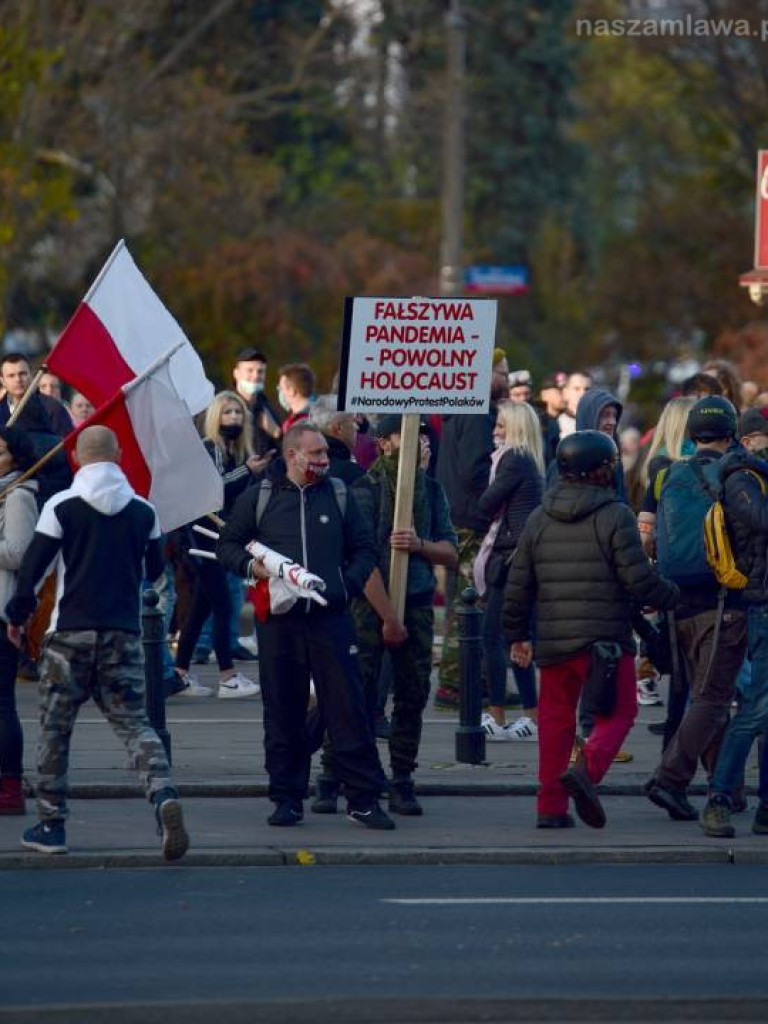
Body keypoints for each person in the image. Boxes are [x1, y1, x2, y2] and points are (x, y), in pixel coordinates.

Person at [5, 426, 189, 859]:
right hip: (123, 633)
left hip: (69, 634)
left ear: (77, 459)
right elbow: (156, 573)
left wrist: (17, 616)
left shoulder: (62, 506)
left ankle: (51, 826)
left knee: (55, 731)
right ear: (119, 455)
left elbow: (33, 568)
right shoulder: (144, 511)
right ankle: (163, 795)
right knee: (135, 724)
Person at [217, 422, 394, 829]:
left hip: (331, 619)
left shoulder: (338, 493)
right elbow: (226, 544)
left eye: (325, 454)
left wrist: (344, 588)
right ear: (292, 455)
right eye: (315, 454)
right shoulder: (259, 497)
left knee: (348, 709)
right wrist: (253, 568)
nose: (323, 461)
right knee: (282, 710)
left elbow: (364, 550)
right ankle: (286, 798)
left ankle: (363, 800)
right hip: (279, 623)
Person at [503, 430, 678, 829]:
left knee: (554, 721)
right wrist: (673, 595)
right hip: (606, 641)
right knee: (619, 713)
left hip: (554, 640)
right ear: (599, 470)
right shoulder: (615, 515)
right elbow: (638, 580)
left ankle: (550, 807)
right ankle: (586, 772)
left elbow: (518, 585)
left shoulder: (539, 517)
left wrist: (516, 635)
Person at [312, 414, 457, 817]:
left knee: (412, 695)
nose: (424, 444)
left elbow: (450, 551)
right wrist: (388, 617)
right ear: (386, 443)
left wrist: (419, 544)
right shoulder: (364, 490)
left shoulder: (431, 490)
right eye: (413, 436)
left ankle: (402, 778)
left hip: (418, 602)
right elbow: (362, 561)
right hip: (368, 606)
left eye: (427, 437)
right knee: (353, 693)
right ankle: (332, 774)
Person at [646, 397, 748, 822]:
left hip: (677, 603)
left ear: (691, 434)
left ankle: (727, 788)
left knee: (708, 697)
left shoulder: (671, 473)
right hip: (723, 601)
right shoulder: (736, 475)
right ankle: (669, 779)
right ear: (732, 432)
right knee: (713, 699)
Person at [701, 407, 768, 838]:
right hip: (762, 603)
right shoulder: (741, 477)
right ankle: (719, 798)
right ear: (749, 439)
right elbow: (762, 522)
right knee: (756, 708)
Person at [173, 391, 264, 699]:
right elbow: (214, 489)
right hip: (202, 535)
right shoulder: (208, 448)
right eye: (227, 413)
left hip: (224, 535)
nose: (234, 419)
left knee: (202, 607)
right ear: (215, 418)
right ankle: (227, 676)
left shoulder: (239, 451)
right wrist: (247, 472)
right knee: (223, 604)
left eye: (238, 414)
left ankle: (180, 672)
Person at [433, 349, 507, 708]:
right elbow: (475, 471)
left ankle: (465, 678)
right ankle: (458, 683)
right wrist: (494, 502)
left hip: (455, 516)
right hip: (472, 521)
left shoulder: (457, 411)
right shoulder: (478, 413)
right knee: (471, 602)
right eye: (501, 373)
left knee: (458, 602)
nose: (506, 381)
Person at [475, 402, 543, 741]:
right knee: (518, 638)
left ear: (515, 427)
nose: (495, 431)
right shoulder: (528, 458)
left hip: (509, 559)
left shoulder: (512, 458)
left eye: (501, 425)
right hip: (521, 558)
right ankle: (530, 715)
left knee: (493, 639)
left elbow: (486, 504)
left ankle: (497, 716)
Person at [0, 428, 39, 815]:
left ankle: (10, 787)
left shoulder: (19, 496)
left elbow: (18, 552)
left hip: (1, 614)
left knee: (2, 704)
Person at [0, 354, 72, 437]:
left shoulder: (52, 408)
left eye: (22, 373)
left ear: (30, 375)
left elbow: (65, 444)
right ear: (2, 380)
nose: (18, 379)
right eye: (11, 376)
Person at [232, 347, 282, 458]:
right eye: (250, 370)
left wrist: (277, 433)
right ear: (236, 374)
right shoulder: (225, 407)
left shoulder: (269, 408)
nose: (255, 376)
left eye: (260, 371)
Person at [310, 399, 364, 484]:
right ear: (338, 428)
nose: (357, 427)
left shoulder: (301, 466)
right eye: (353, 421)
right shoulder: (352, 474)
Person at [277, 363, 315, 433]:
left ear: (292, 391)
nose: (280, 392)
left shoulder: (303, 424)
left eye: (281, 388)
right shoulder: (319, 415)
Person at [557, 371, 593, 439]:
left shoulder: (600, 425)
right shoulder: (556, 425)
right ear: (565, 393)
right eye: (577, 389)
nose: (583, 393)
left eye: (587, 389)